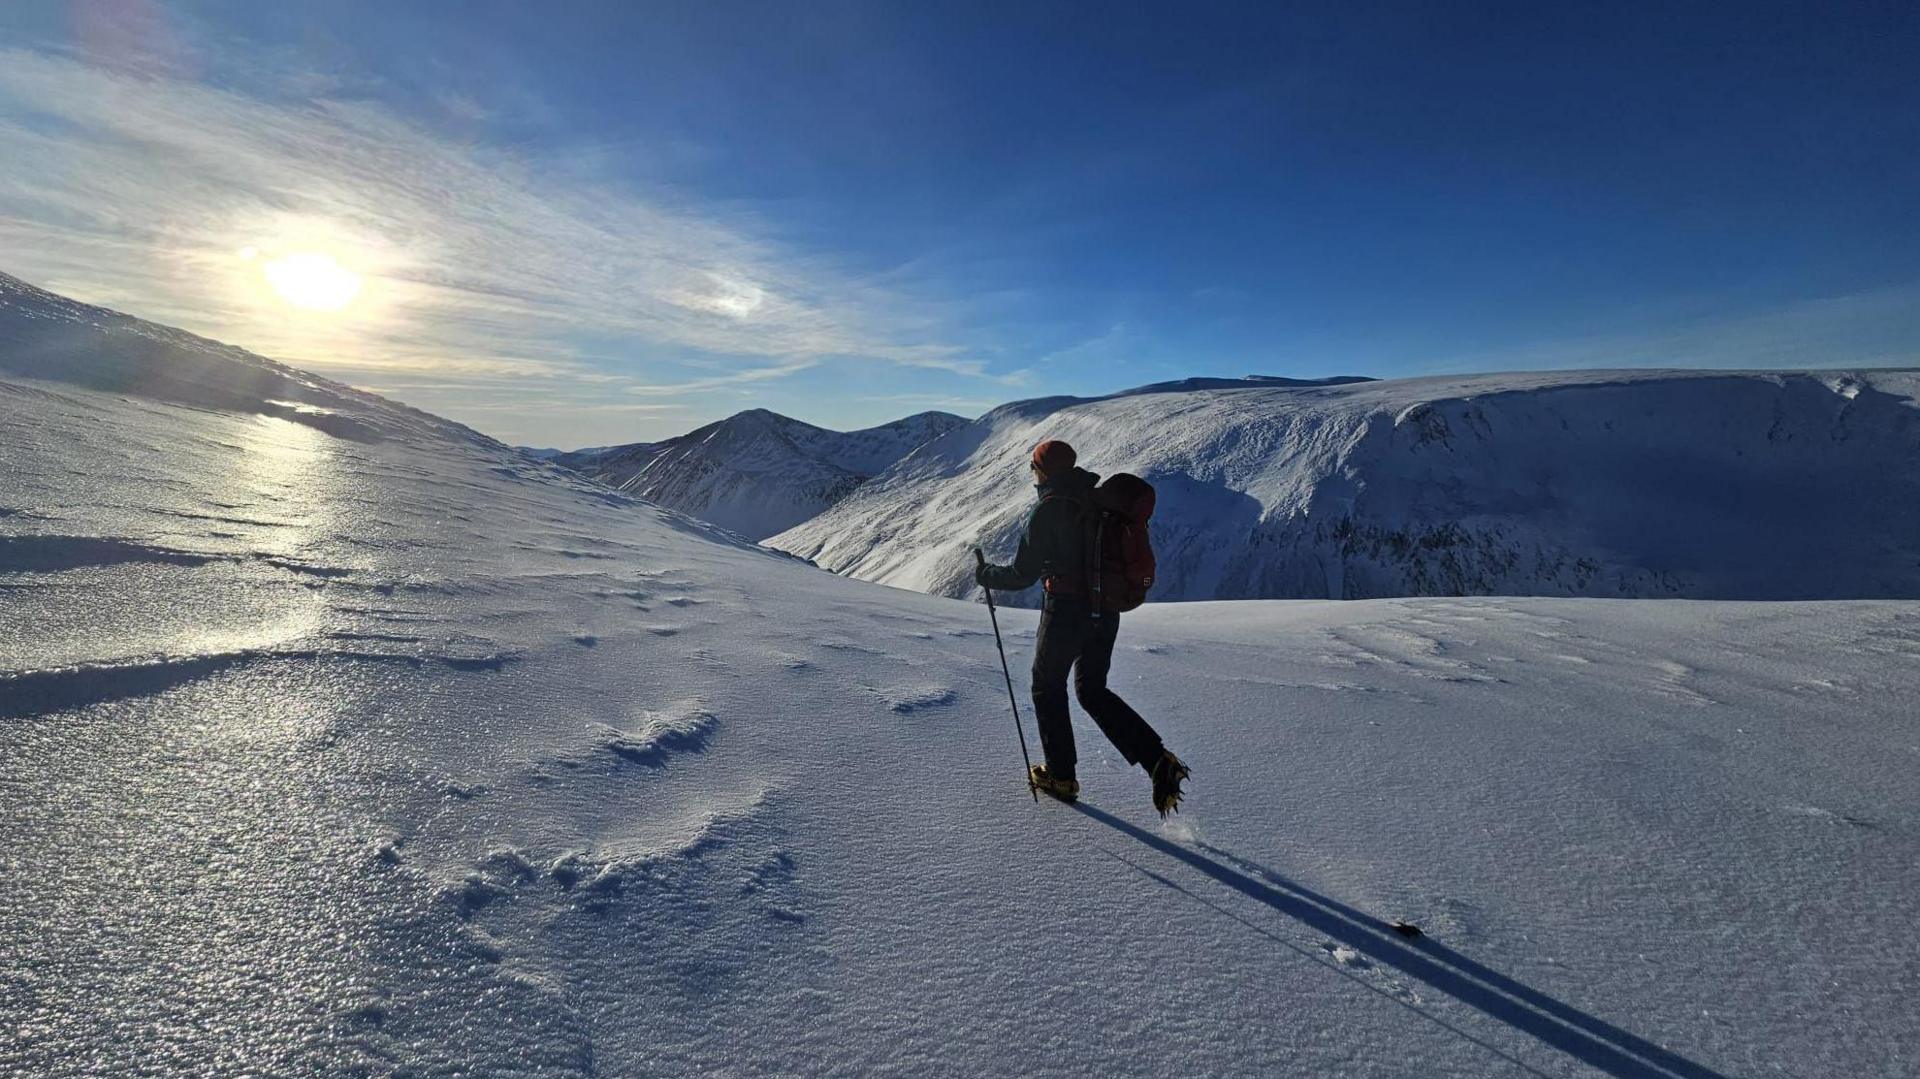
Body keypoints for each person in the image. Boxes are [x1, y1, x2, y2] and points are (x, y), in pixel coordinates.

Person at [975, 438, 1190, 816]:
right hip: (1104, 611)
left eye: (1034, 466)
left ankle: (1061, 777)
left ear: (1043, 470)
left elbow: (1023, 574)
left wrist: (985, 574)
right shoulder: (1096, 500)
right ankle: (1157, 759)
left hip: (1065, 611)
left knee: (1047, 684)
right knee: (1092, 690)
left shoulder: (1049, 509)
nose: (1032, 473)